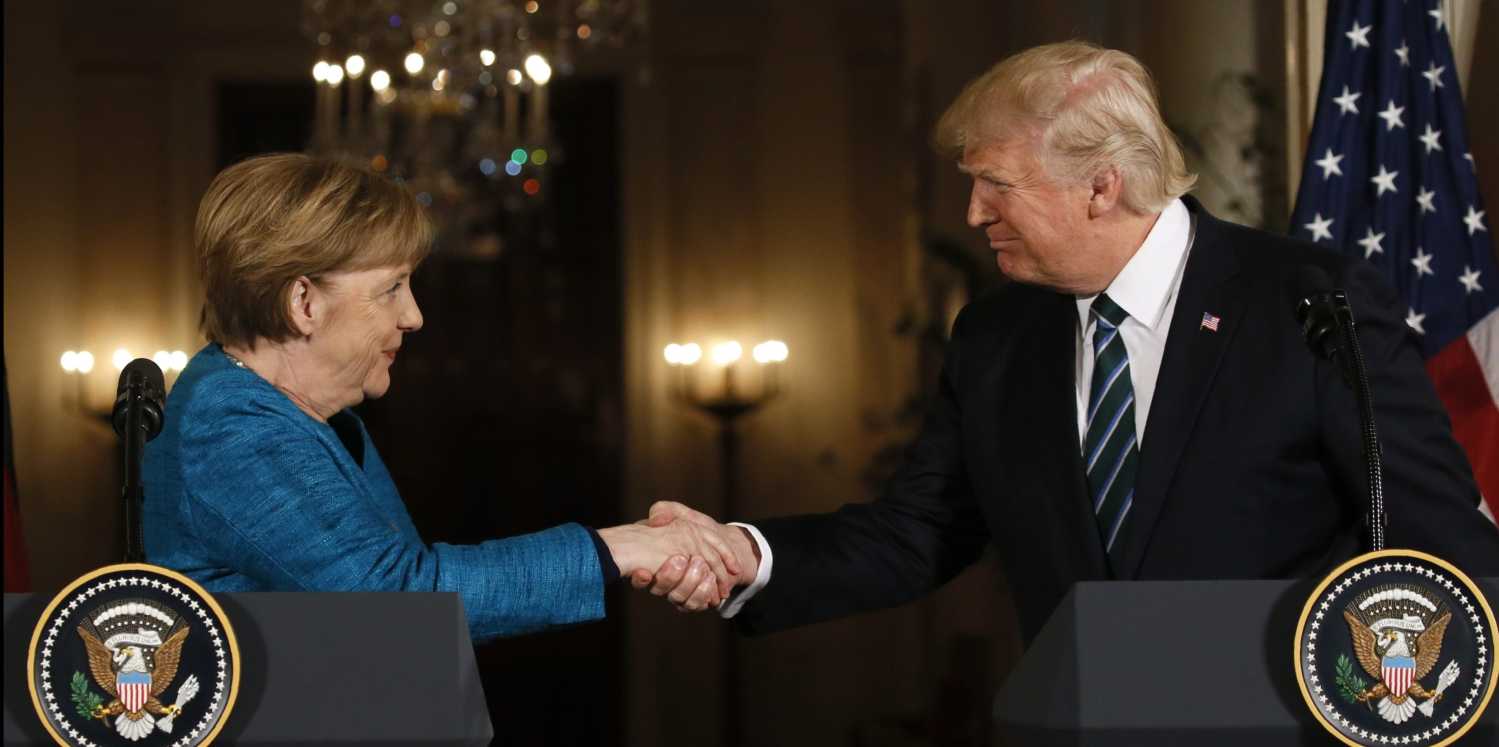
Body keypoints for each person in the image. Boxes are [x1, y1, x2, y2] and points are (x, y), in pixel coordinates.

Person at [634, 41, 1499, 643]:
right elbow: (917, 533)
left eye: (994, 184)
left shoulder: (1310, 302)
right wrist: (745, 555)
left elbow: (1436, 542)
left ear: (1099, 185)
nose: (973, 214)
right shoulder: (996, 337)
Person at [144, 153, 734, 641]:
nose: (415, 316)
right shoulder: (232, 424)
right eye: (392, 288)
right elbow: (398, 601)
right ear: (304, 303)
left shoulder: (296, 410)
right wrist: (622, 547)